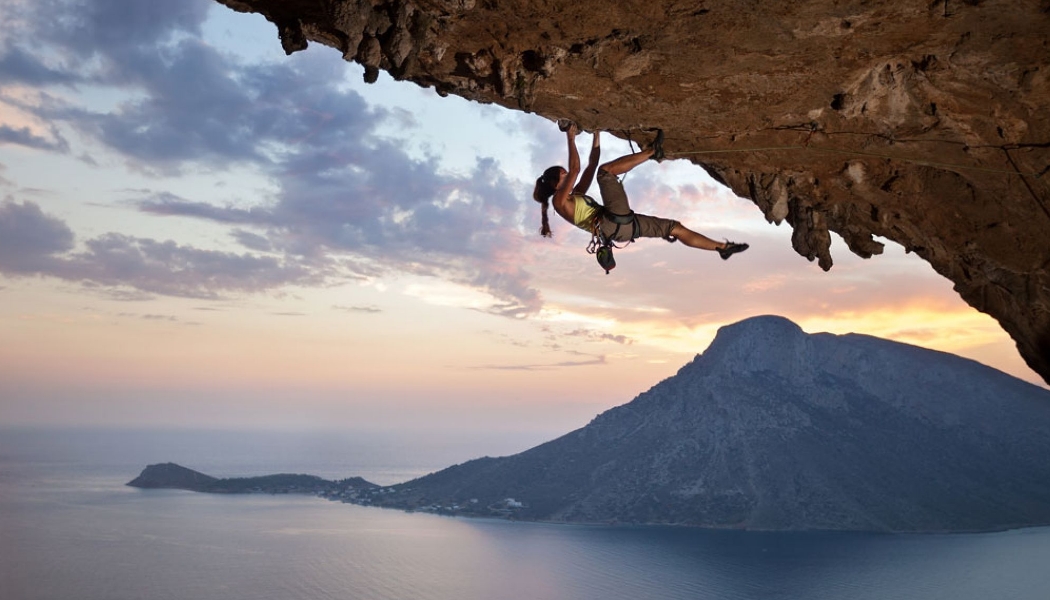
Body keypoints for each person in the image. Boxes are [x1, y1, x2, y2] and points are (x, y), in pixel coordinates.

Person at [531, 123, 749, 261]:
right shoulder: (560, 204)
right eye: (563, 175)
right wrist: (570, 137)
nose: (568, 174)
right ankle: (653, 151)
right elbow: (578, 169)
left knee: (675, 228)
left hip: (621, 229)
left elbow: (590, 164)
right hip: (610, 223)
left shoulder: (575, 195)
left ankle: (722, 247)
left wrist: (596, 133)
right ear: (554, 185)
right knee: (605, 173)